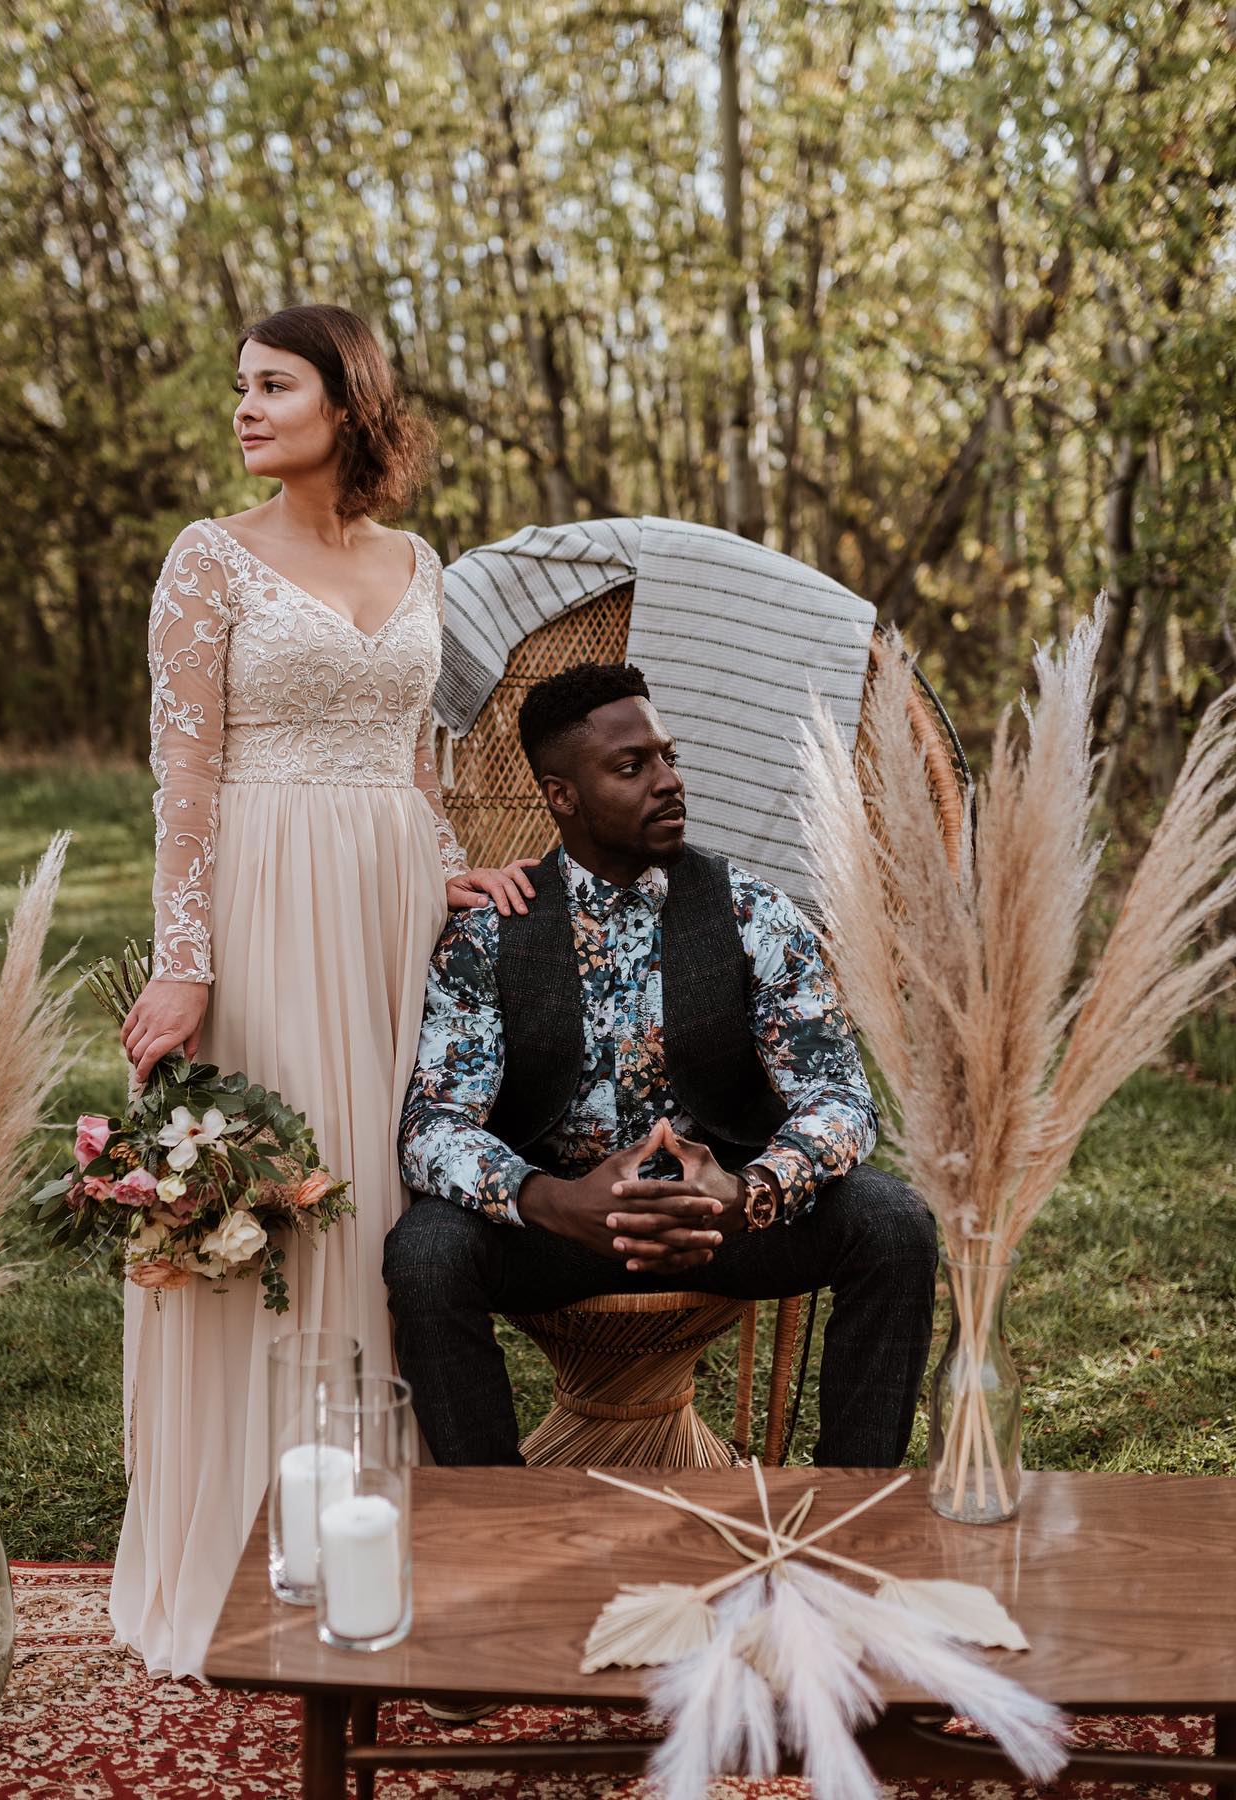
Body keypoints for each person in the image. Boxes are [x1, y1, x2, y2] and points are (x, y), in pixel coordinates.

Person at [111, 303, 534, 1677]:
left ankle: (358, 1530)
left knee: (380, 1199)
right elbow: (182, 778)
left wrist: (451, 870)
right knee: (278, 1197)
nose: (244, 408)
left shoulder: (425, 562)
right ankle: (232, 1554)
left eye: (273, 386)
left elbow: (420, 756)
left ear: (348, 404)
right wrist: (185, 961)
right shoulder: (207, 563)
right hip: (265, 887)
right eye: (239, 386)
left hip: (392, 900)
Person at [386, 661, 936, 1468]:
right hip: (561, 1224)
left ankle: (853, 1513)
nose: (669, 782)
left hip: (723, 1218)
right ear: (561, 794)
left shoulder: (755, 911)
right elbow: (431, 1123)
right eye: (631, 766)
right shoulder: (490, 934)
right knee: (425, 1252)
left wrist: (751, 1191)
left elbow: (841, 1097)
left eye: (668, 757)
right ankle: (490, 1522)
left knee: (895, 1222)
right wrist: (551, 1200)